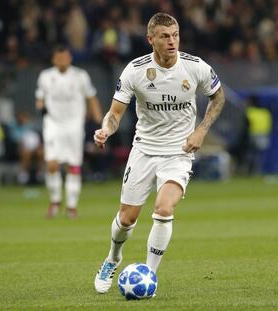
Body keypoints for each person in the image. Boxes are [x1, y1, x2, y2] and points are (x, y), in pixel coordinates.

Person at [93, 12, 225, 294]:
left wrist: (201, 130)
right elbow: (115, 113)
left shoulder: (195, 67)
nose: (172, 41)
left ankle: (148, 276)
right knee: (126, 219)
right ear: (150, 39)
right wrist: (106, 130)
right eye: (165, 36)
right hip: (144, 150)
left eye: (175, 35)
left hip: (179, 152)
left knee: (164, 209)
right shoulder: (135, 71)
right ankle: (112, 258)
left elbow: (218, 96)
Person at [35, 46, 102, 219]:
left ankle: (71, 206)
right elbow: (40, 99)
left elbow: (91, 96)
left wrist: (98, 117)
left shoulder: (80, 76)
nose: (62, 61)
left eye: (65, 58)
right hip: (53, 124)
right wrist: (40, 107)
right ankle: (55, 201)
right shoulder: (45, 76)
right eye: (59, 58)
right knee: (51, 163)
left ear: (70, 58)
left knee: (73, 166)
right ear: (54, 60)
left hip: (74, 125)